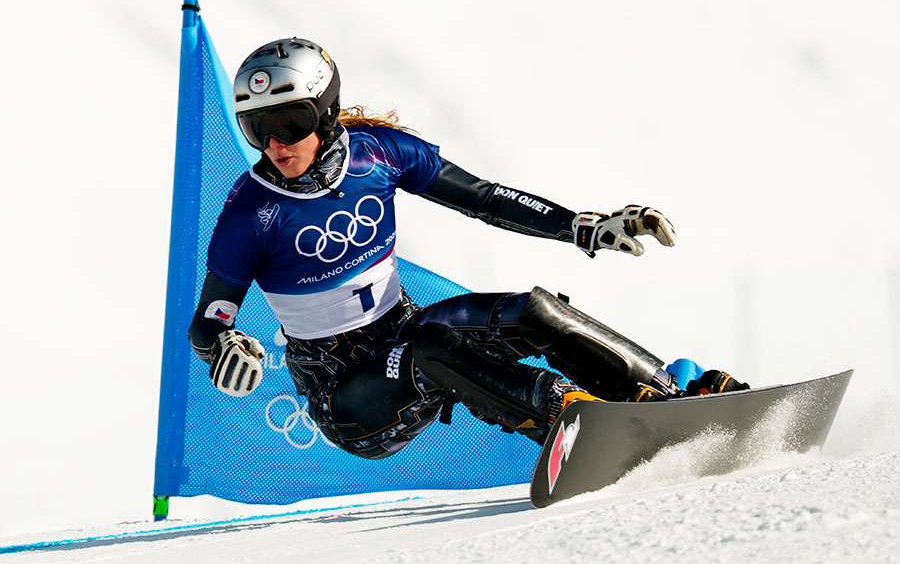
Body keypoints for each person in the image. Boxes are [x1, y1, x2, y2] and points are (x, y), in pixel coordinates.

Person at [188, 37, 748, 460]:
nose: (276, 143)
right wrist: (223, 347)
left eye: (290, 121)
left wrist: (580, 226)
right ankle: (573, 422)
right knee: (432, 344)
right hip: (350, 400)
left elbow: (483, 198)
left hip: (402, 333)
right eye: (258, 128)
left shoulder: (377, 153)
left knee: (533, 311)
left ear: (326, 112)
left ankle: (669, 394)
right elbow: (207, 321)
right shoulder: (249, 211)